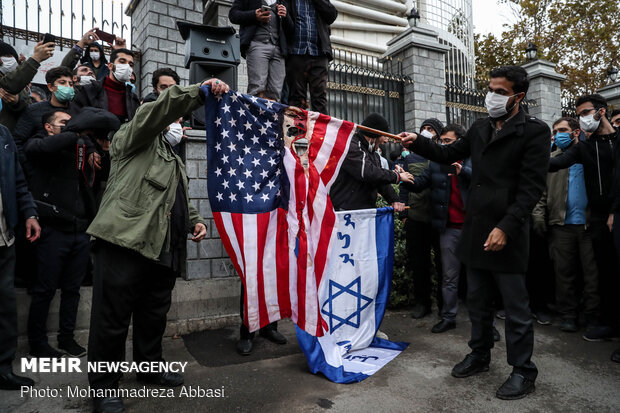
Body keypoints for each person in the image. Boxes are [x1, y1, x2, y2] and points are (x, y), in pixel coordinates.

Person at [402, 65, 550, 400]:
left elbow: (531, 189)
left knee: (515, 308)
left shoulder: (534, 132)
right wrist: (419, 142)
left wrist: (506, 227)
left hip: (507, 233)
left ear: (518, 96)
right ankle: (480, 354)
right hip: (476, 229)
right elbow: (448, 153)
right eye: (490, 89)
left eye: (500, 91)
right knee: (478, 302)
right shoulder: (480, 127)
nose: (492, 96)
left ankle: (524, 370)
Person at [85, 78, 226, 413]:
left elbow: (176, 196)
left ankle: (149, 369)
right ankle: (104, 386)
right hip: (124, 241)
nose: (178, 125)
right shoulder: (131, 139)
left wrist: (194, 220)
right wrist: (197, 92)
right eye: (174, 119)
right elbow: (157, 112)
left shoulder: (172, 158)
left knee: (153, 314)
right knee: (111, 319)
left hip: (162, 247)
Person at [24, 109, 120, 358]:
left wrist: (99, 147)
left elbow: (104, 175)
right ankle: (38, 342)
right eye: (63, 123)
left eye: (71, 122)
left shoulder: (82, 148)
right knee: (44, 289)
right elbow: (41, 150)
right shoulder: (39, 143)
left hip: (80, 230)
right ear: (48, 126)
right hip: (53, 230)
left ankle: (67, 338)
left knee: (72, 289)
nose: (69, 126)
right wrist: (75, 132)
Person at [548, 94, 620, 341]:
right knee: (605, 273)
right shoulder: (585, 148)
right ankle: (606, 322)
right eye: (579, 114)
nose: (583, 118)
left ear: (601, 112)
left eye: (586, 112)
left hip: (613, 216)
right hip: (596, 221)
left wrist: (615, 210)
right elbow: (557, 164)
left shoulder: (617, 141)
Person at [532, 117, 601, 333]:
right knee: (564, 274)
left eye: (563, 130)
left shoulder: (590, 156)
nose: (558, 134)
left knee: (592, 275)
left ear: (576, 132)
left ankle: (592, 316)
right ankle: (568, 314)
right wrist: (539, 216)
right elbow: (541, 193)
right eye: (555, 130)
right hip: (560, 225)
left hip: (589, 226)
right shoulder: (552, 159)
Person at [400, 124, 471, 334]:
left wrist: (463, 171)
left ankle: (487, 323)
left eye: (448, 142)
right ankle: (448, 316)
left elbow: (484, 180)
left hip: (474, 228)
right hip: (449, 228)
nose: (442, 145)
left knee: (480, 278)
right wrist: (404, 178)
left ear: (461, 142)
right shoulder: (437, 164)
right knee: (449, 277)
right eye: (441, 141)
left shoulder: (474, 160)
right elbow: (420, 183)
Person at [0, 124, 41, 390]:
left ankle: (3, 368)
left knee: (5, 306)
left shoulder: (3, 134)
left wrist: (29, 213)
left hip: (3, 236)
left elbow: (18, 179)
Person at [399, 117, 444, 319]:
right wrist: (404, 214)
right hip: (416, 217)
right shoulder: (411, 158)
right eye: (424, 128)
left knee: (443, 264)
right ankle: (422, 303)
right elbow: (405, 186)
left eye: (431, 129)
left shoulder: (443, 156)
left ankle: (444, 305)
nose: (427, 132)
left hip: (438, 218)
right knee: (419, 263)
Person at [330, 112, 412, 211]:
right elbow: (366, 171)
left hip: (365, 214)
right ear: (374, 134)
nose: (385, 141)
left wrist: (394, 199)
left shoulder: (374, 154)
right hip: (345, 212)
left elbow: (379, 181)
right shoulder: (352, 146)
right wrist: (396, 176)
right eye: (383, 135)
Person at [229, 0, 294, 102]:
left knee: (276, 93)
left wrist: (286, 16)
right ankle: (254, 117)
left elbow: (291, 29)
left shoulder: (282, 1)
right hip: (257, 44)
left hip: (278, 49)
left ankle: (271, 117)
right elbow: (233, 15)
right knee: (257, 89)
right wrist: (254, 15)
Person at [286, 0, 338, 114]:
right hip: (296, 52)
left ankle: (320, 131)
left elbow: (332, 15)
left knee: (320, 97)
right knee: (296, 97)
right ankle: (296, 131)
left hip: (318, 53)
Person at [73, 48, 140, 123]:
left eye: (130, 65)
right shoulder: (88, 91)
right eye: (122, 62)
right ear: (110, 66)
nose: (127, 67)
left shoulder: (133, 99)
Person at [0, 39, 55, 130]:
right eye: (6, 56)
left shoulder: (21, 87)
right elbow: (10, 85)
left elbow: (27, 107)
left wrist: (18, 102)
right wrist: (36, 58)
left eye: (11, 56)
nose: (10, 59)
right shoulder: (9, 83)